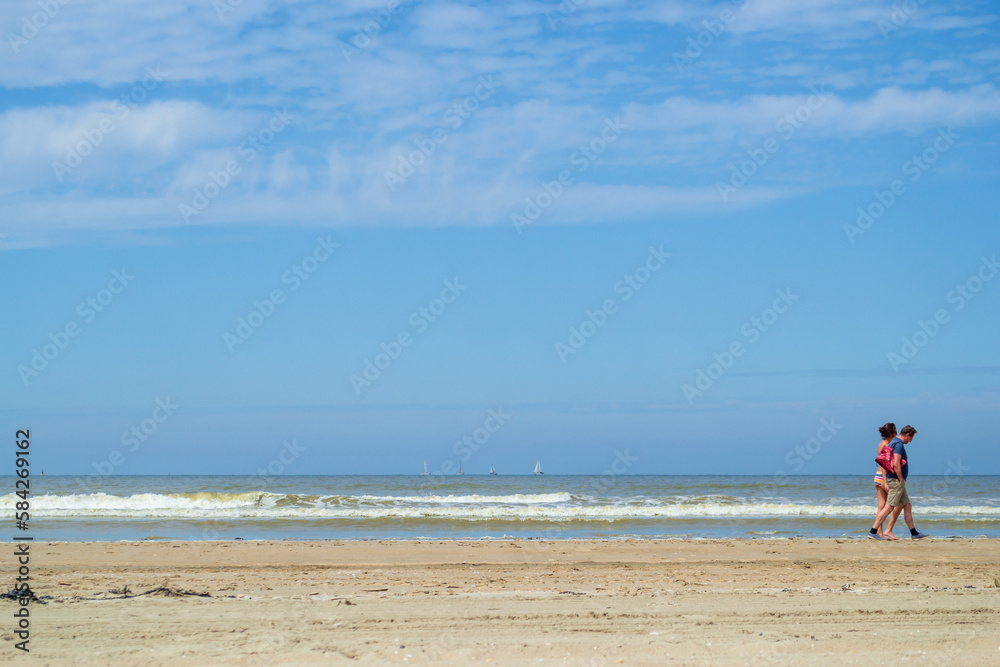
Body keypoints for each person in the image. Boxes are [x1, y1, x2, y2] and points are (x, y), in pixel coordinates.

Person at [869, 425, 928, 540]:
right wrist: (900, 478)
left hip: (893, 479)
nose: (911, 441)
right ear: (907, 435)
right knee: (889, 507)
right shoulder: (899, 445)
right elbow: (895, 463)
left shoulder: (892, 442)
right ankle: (873, 531)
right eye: (911, 438)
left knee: (907, 505)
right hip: (895, 480)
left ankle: (914, 533)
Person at [872, 423, 897, 539]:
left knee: (881, 507)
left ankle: (879, 533)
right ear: (891, 432)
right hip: (883, 477)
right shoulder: (886, 445)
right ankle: (882, 532)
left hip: (878, 476)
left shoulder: (881, 444)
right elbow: (884, 464)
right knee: (889, 506)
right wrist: (886, 482)